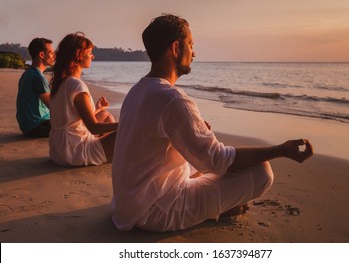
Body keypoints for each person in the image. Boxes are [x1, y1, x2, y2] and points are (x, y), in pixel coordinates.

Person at [111, 14, 314, 232]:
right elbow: (218, 161)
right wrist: (282, 150)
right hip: (154, 212)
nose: (194, 52)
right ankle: (213, 211)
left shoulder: (138, 90)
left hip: (128, 204)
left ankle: (211, 205)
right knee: (262, 172)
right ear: (176, 48)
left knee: (205, 160)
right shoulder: (172, 99)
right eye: (191, 44)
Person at [49, 32, 117, 166]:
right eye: (90, 52)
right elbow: (94, 127)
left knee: (105, 114)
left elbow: (70, 119)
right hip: (74, 152)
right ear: (78, 54)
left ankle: (106, 148)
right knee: (128, 130)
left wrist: (97, 109)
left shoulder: (61, 82)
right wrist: (127, 123)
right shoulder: (76, 85)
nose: (93, 56)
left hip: (59, 150)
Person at [16, 38, 55, 137]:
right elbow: (53, 106)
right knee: (75, 126)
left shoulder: (28, 73)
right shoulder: (37, 77)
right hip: (36, 125)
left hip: (28, 125)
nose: (54, 56)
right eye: (51, 53)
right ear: (41, 55)